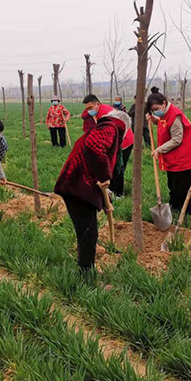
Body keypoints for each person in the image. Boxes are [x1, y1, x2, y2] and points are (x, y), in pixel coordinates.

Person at [55, 110, 128, 272]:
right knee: (88, 233)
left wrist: (104, 200)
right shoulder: (111, 128)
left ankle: (85, 268)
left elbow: (92, 163)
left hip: (76, 186)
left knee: (86, 232)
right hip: (77, 188)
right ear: (125, 127)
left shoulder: (101, 127)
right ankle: (86, 274)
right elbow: (95, 148)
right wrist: (105, 175)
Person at [146, 90, 191, 219]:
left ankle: (187, 214)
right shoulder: (165, 114)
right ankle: (174, 209)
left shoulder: (174, 115)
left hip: (183, 160)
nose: (156, 112)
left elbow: (177, 138)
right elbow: (164, 124)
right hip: (174, 159)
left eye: (157, 109)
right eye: (153, 110)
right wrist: (155, 120)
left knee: (183, 189)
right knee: (173, 186)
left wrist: (159, 150)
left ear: (164, 103)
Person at [108, 110, 134, 198]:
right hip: (115, 142)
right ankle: (111, 189)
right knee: (112, 167)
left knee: (118, 167)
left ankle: (118, 193)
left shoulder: (121, 124)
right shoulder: (107, 120)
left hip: (125, 142)